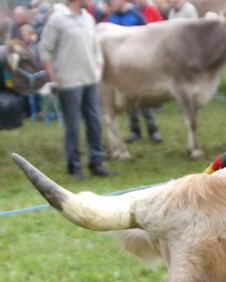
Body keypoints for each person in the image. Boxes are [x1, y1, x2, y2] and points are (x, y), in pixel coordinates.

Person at [39, 0, 117, 179]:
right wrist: (53, 77)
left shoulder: (89, 19)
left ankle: (97, 163)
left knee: (95, 122)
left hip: (90, 81)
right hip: (69, 82)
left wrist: (98, 69)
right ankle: (74, 169)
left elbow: (96, 49)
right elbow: (45, 49)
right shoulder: (57, 19)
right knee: (73, 126)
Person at [104, 0, 161, 144]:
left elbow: (148, 37)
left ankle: (152, 129)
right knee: (129, 98)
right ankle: (135, 131)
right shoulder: (111, 20)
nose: (111, 3)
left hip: (138, 64)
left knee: (143, 96)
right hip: (121, 67)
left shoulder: (136, 16)